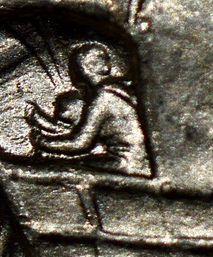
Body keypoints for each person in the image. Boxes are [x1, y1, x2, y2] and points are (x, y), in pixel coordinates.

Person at [28, 44, 148, 173]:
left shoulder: (104, 95)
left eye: (76, 64)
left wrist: (41, 142)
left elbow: (80, 143)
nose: (74, 69)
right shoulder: (117, 89)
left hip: (126, 163)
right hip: (137, 160)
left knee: (67, 168)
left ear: (87, 67)